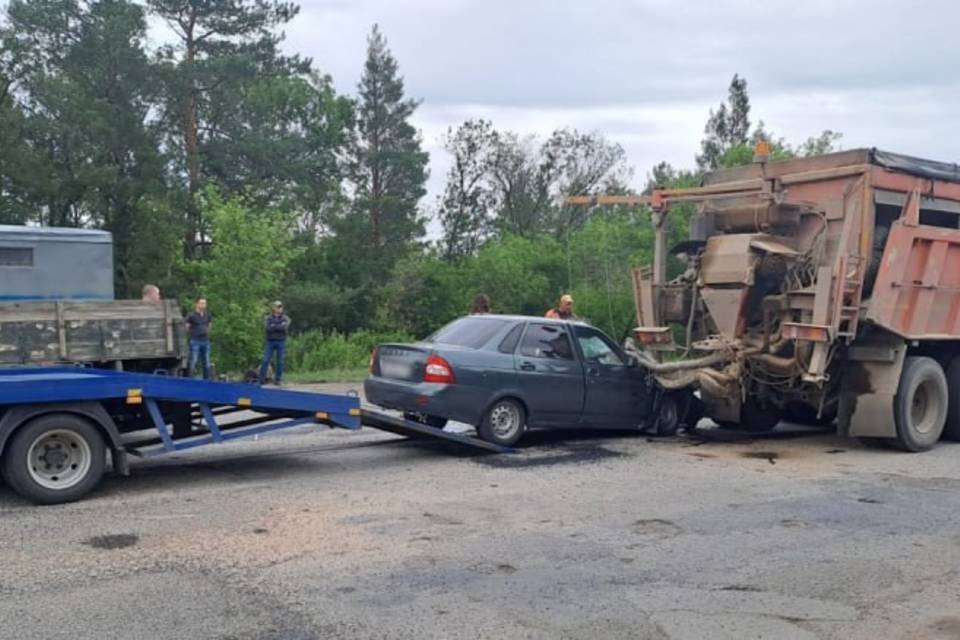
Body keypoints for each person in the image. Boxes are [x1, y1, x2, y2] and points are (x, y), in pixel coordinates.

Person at [259, 301, 291, 385]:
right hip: (270, 341)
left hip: (281, 341)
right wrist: (278, 326)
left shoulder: (286, 318)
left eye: (281, 307)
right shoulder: (267, 318)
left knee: (280, 361)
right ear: (274, 308)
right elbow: (268, 329)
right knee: (265, 360)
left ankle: (278, 380)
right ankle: (261, 379)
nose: (280, 308)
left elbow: (283, 328)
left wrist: (274, 326)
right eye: (278, 307)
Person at [185, 297, 212, 379]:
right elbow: (187, 327)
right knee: (193, 361)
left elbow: (210, 325)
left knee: (206, 362)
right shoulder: (191, 315)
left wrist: (206, 332)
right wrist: (193, 333)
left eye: (204, 303)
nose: (203, 305)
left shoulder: (207, 315)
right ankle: (190, 379)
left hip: (205, 341)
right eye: (201, 303)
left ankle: (206, 380)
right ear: (197, 304)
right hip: (195, 340)